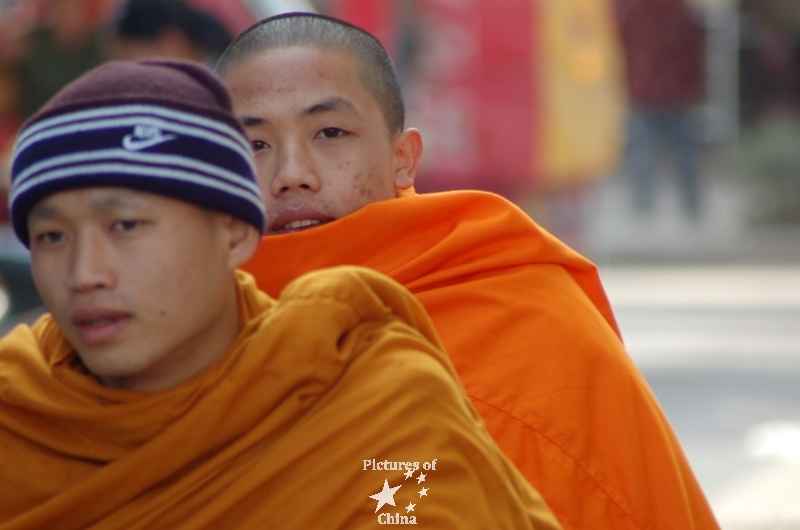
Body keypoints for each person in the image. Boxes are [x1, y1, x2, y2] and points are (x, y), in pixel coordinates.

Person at [0, 60, 562, 529]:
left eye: (126, 227)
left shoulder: (377, 409)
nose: (84, 274)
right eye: (52, 237)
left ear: (234, 233)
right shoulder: (21, 418)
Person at [215, 12, 720, 530]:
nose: (292, 174)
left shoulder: (526, 319)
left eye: (330, 132)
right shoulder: (186, 333)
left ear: (403, 159)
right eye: (255, 144)